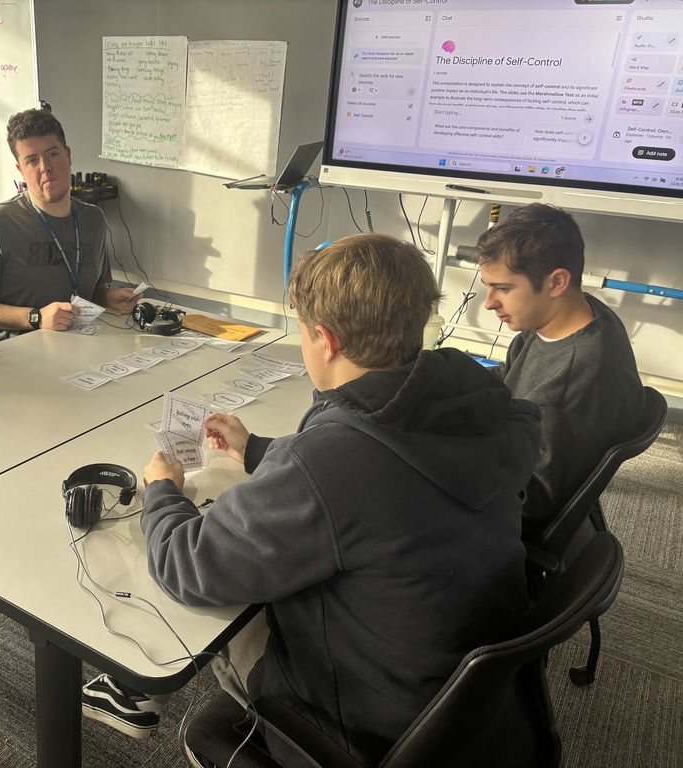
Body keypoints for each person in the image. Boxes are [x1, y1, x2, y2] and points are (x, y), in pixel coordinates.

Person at [81, 234, 542, 767]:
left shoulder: (327, 463)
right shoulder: (483, 405)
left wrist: (162, 491)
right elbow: (383, 457)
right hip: (462, 701)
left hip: (364, 726)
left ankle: (135, 686)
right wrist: (256, 449)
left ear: (324, 339)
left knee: (213, 599)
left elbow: (187, 564)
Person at [475, 203, 645, 538]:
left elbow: (529, 507)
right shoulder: (572, 314)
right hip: (510, 443)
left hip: (506, 517)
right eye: (487, 286)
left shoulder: (566, 391)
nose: (489, 302)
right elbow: (510, 377)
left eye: (503, 288)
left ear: (556, 282)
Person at [0, 108, 139, 337]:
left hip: (80, 341)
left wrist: (109, 298)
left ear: (68, 155)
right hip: (16, 350)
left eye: (52, 154)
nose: (45, 167)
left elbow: (94, 290)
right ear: (21, 170)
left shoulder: (93, 220)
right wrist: (35, 317)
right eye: (32, 160)